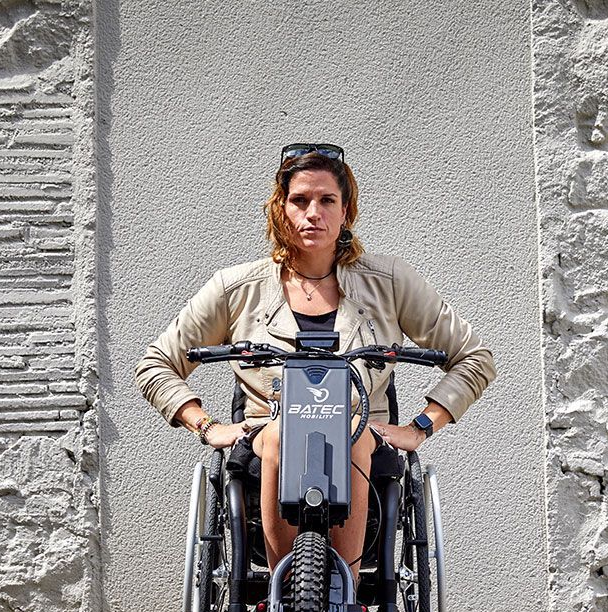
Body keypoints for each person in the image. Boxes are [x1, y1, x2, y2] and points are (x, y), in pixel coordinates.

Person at [135, 143, 495, 571]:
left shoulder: (391, 281)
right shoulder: (236, 288)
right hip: (265, 442)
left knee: (351, 433)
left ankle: (348, 596)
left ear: (346, 211)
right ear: (280, 209)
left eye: (327, 200)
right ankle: (282, 590)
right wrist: (207, 425)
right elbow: (156, 363)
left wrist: (419, 427)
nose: (313, 213)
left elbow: (474, 358)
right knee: (284, 430)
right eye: (300, 200)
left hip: (364, 441)